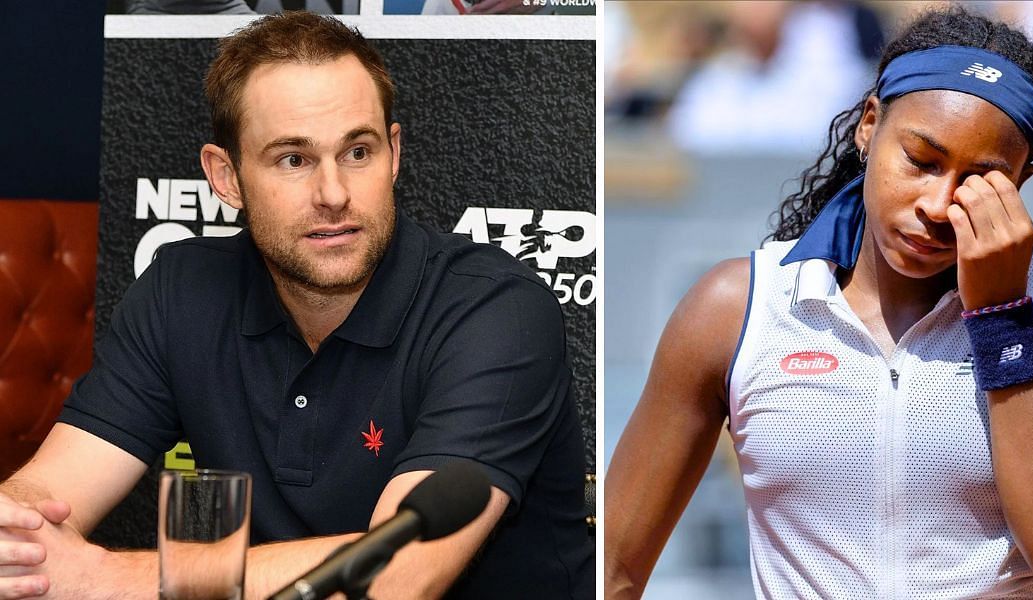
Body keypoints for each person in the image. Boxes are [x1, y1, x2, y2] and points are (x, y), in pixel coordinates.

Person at [0, 11, 592, 600]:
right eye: (293, 159)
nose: (333, 194)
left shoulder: (498, 311)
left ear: (394, 152)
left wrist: (98, 576)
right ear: (225, 177)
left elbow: (398, 574)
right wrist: (18, 531)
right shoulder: (180, 289)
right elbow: (52, 492)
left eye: (358, 152)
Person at [606, 7, 1033, 599]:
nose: (939, 203)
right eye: (922, 161)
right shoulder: (734, 306)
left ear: (1021, 180)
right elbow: (612, 568)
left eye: (980, 178)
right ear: (868, 125)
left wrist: (999, 320)